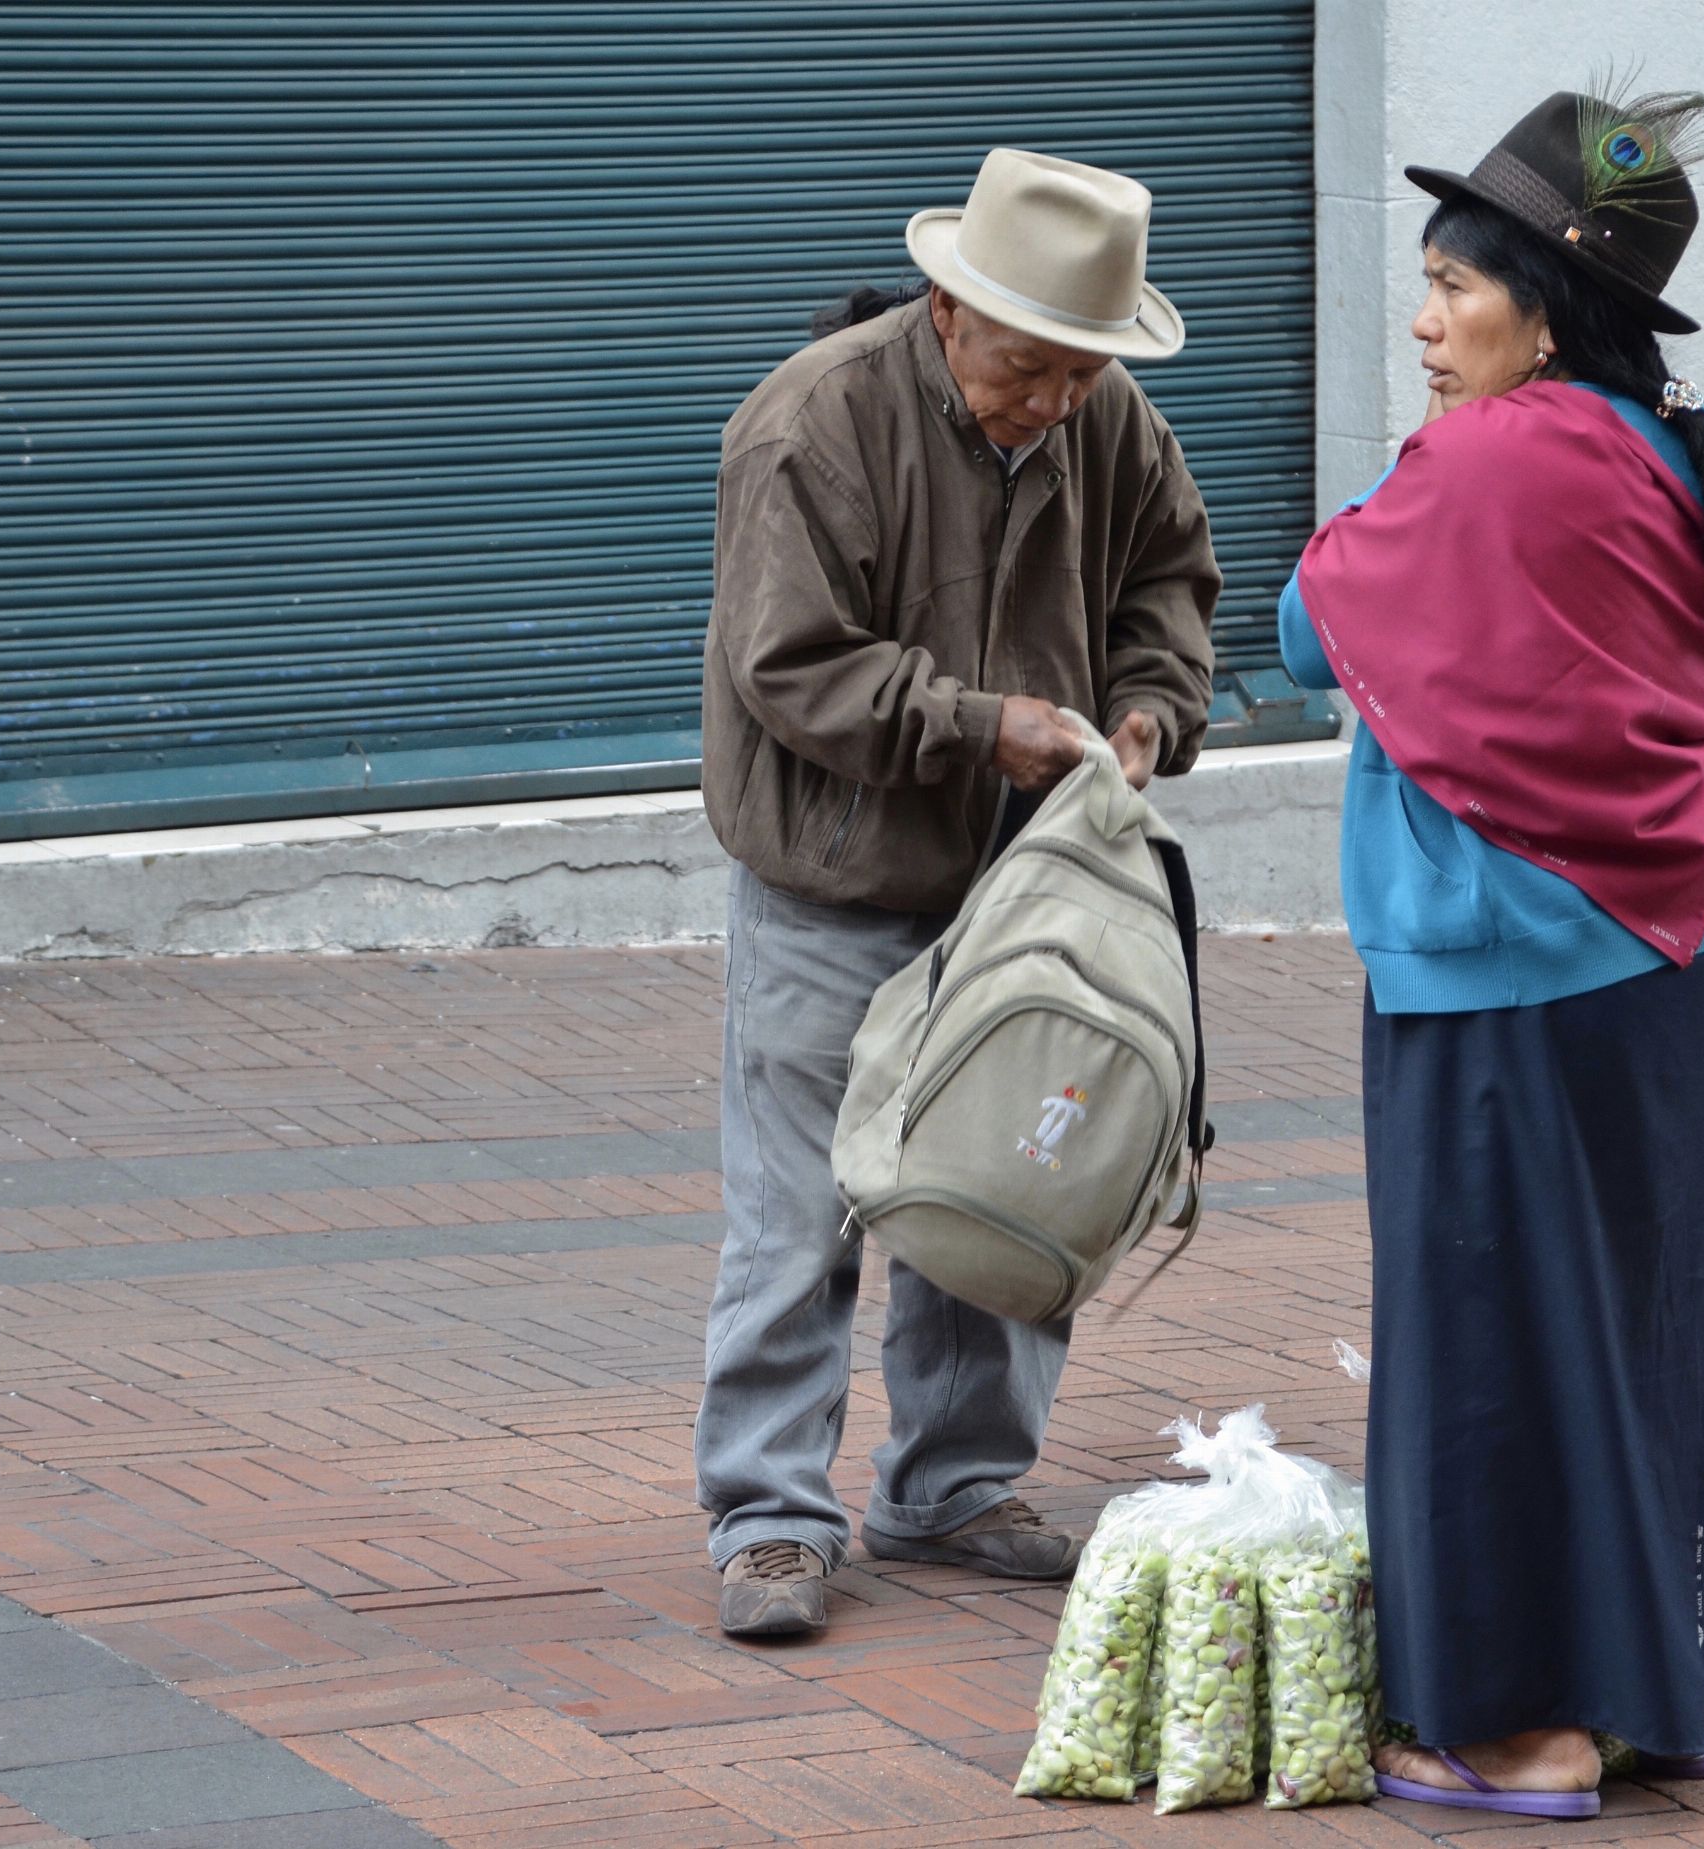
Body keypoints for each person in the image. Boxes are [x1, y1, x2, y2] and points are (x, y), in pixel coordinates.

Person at [1277, 90, 1704, 1815]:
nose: (1428, 319)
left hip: (1496, 969)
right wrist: (1666, 718)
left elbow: (1313, 626)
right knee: (1640, 1324)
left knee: (1488, 1339)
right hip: (1682, 956)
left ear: (1548, 306)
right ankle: (1644, 1697)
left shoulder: (1481, 460)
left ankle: (1515, 1728)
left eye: (1458, 285)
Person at [697, 147, 1220, 1639]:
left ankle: (953, 1483)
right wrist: (984, 724)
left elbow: (1172, 588)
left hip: (1023, 884)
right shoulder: (814, 421)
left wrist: (1145, 714)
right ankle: (769, 1514)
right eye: (1032, 367)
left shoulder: (1107, 418)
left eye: (1084, 371)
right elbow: (788, 665)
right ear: (947, 306)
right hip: (835, 873)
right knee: (799, 1213)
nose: (1057, 399)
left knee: (1009, 1176)